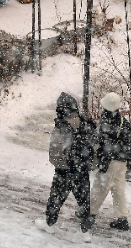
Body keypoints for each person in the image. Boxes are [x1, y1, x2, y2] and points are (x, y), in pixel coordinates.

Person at [35, 92, 96, 242]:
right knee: (84, 201)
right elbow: (96, 149)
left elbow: (54, 155)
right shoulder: (86, 124)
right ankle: (86, 231)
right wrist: (86, 165)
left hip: (64, 172)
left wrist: (64, 166)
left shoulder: (60, 128)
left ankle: (49, 223)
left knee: (56, 198)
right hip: (82, 171)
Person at [90, 92, 131, 231]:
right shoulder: (123, 122)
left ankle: (89, 215)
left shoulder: (107, 122)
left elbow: (103, 145)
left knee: (99, 188)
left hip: (109, 161)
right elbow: (130, 143)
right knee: (118, 189)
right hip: (121, 162)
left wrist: (101, 159)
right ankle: (123, 218)